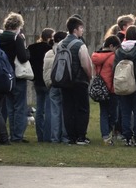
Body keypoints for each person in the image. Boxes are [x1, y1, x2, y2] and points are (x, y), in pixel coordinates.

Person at [61, 15, 95, 145]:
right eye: (81, 28)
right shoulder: (80, 44)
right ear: (75, 30)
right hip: (79, 81)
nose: (83, 30)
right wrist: (89, 76)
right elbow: (86, 64)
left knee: (68, 109)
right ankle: (81, 136)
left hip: (65, 80)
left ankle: (71, 137)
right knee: (82, 109)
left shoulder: (61, 44)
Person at [0, 12, 30, 143]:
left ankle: (11, 134)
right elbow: (23, 57)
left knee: (10, 106)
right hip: (17, 75)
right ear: (18, 25)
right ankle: (17, 135)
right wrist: (27, 50)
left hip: (4, 75)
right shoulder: (17, 38)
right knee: (20, 107)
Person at [115, 26, 136, 146]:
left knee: (125, 112)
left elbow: (115, 68)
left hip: (123, 83)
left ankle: (127, 137)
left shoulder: (119, 51)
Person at [91, 35, 120, 144]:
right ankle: (110, 131)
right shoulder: (113, 57)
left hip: (101, 88)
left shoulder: (96, 55)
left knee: (103, 112)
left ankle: (105, 135)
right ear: (111, 46)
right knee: (113, 113)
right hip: (111, 89)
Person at [27, 28, 54, 142]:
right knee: (48, 109)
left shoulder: (32, 48)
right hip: (47, 81)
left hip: (37, 80)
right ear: (49, 38)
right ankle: (47, 136)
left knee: (39, 109)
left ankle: (40, 135)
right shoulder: (51, 49)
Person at [44, 30, 70, 143]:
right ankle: (65, 136)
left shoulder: (49, 53)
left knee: (54, 111)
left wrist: (48, 82)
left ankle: (54, 137)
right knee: (65, 110)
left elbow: (45, 70)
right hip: (63, 83)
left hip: (52, 83)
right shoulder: (65, 51)